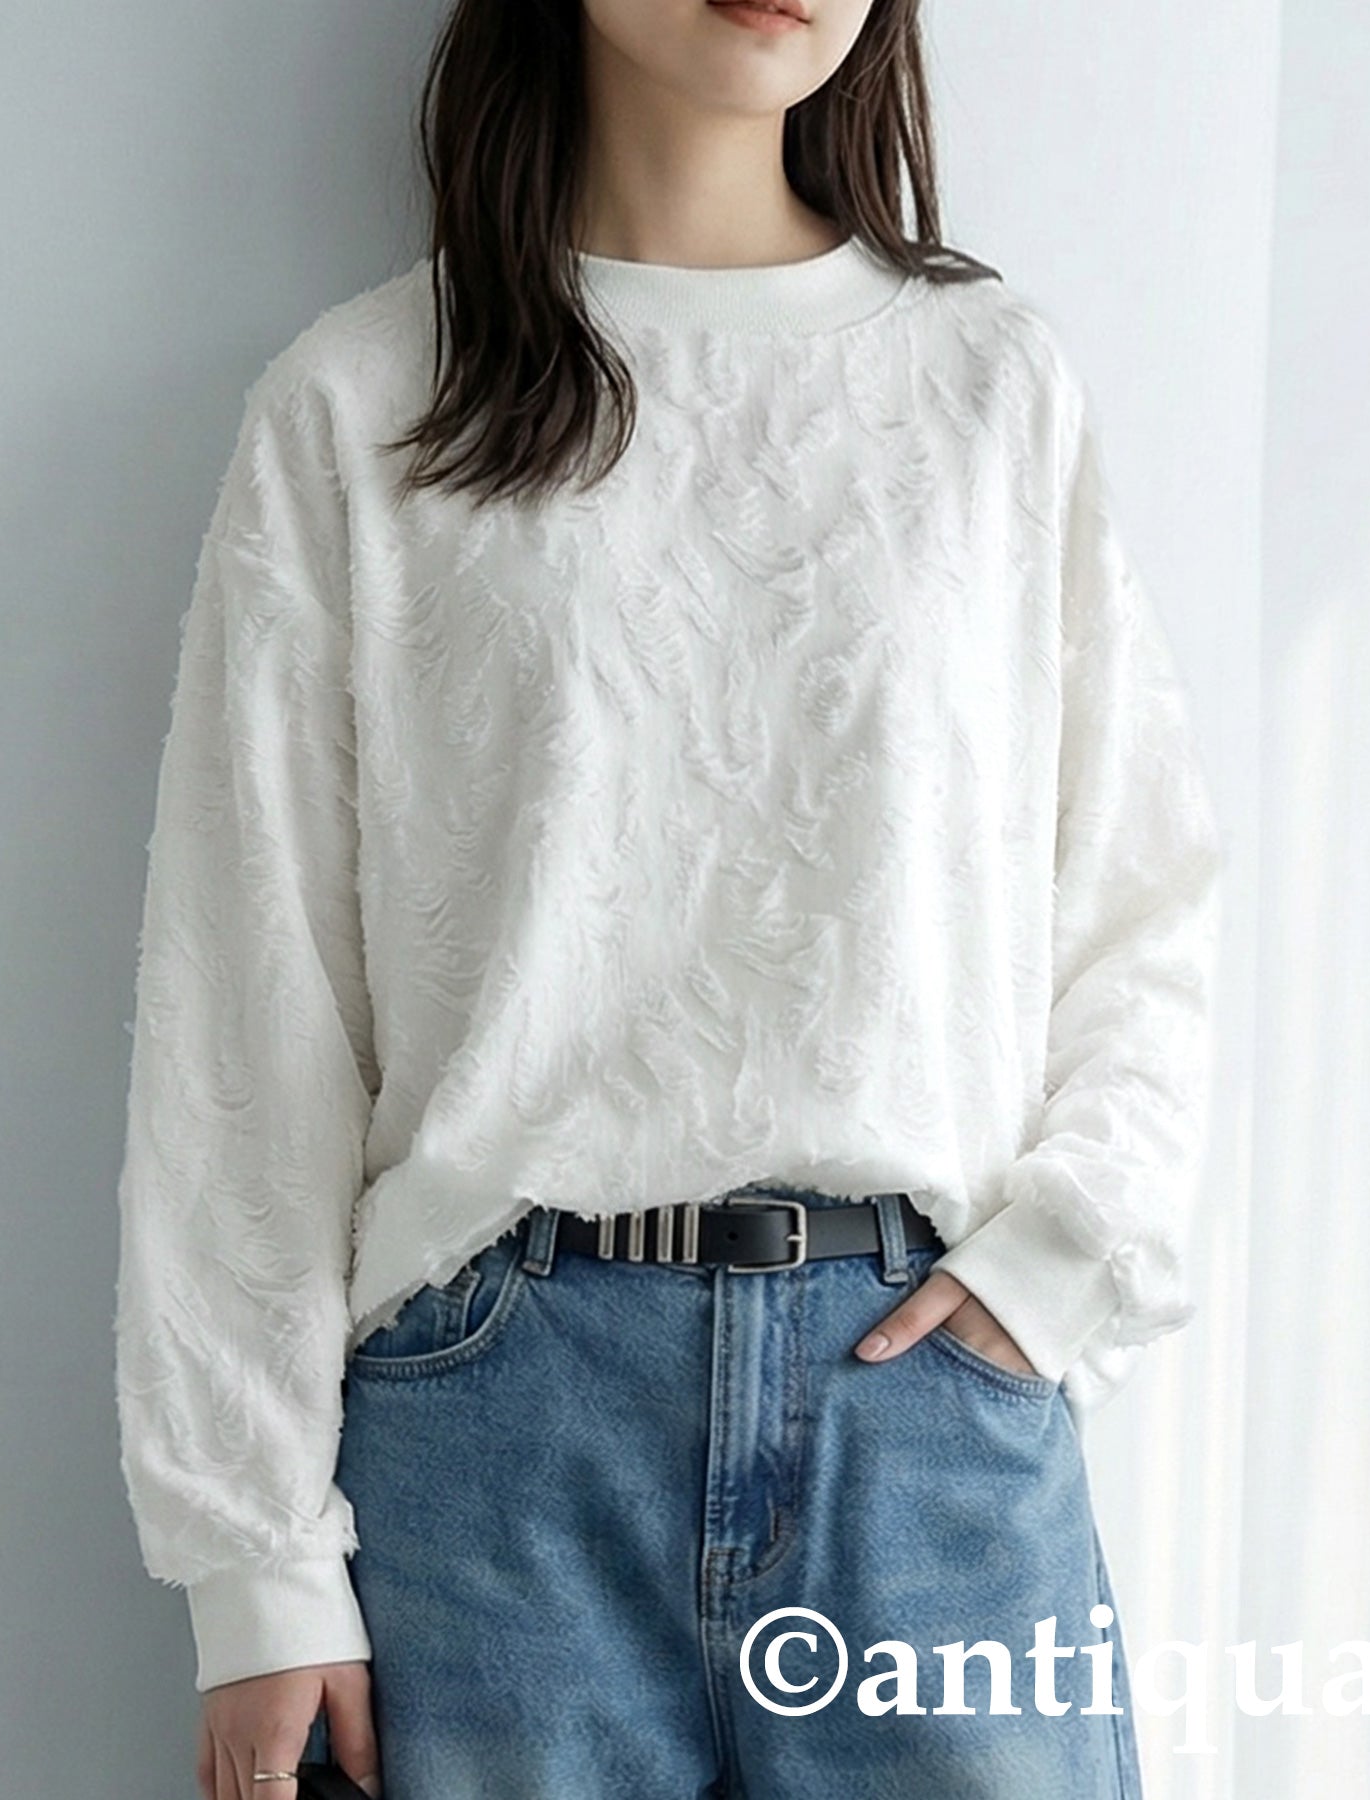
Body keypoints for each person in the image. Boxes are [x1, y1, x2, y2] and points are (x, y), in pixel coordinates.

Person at [113, 0, 1223, 1795]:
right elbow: (249, 996)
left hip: (927, 1411)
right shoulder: (366, 400)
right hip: (495, 1438)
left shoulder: (992, 385)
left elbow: (1137, 895)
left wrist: (1063, 1267)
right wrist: (256, 1564)